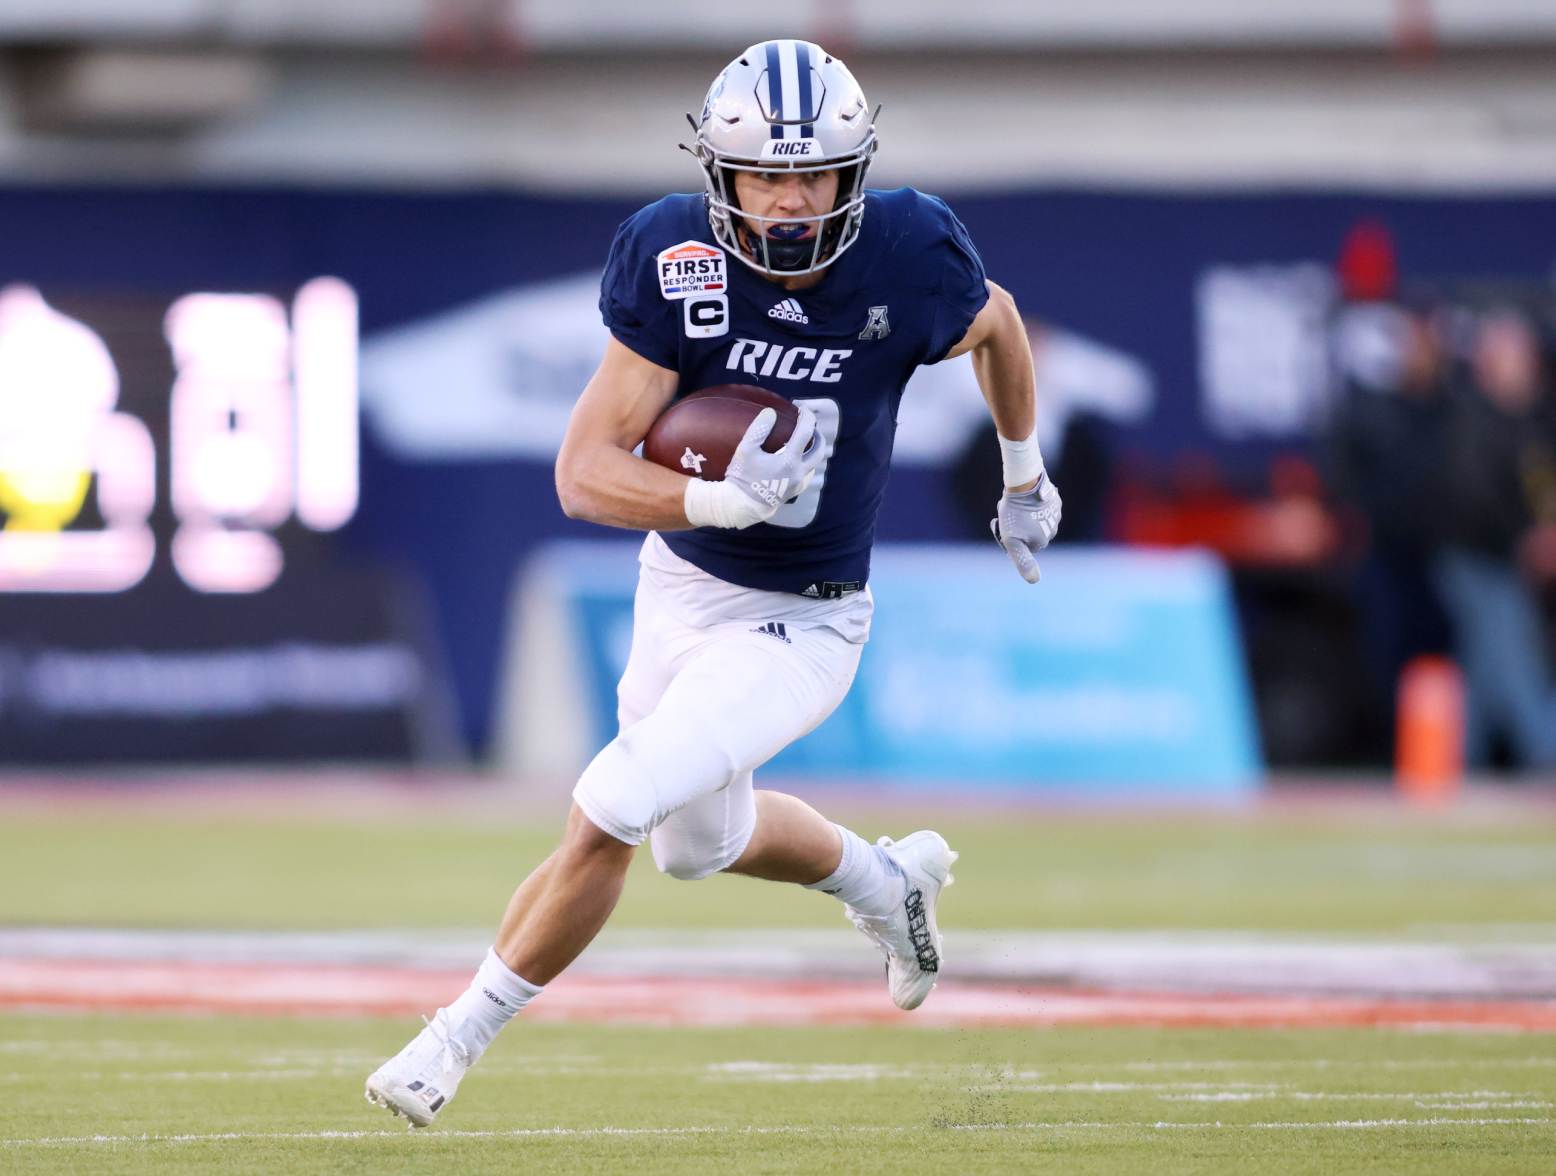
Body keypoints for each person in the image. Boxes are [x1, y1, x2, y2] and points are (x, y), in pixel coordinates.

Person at [365, 39, 1062, 1127]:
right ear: (720, 176)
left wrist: (1024, 472)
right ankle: (887, 886)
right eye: (766, 176)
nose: (789, 202)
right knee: (701, 845)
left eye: (813, 174)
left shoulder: (910, 248)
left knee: (610, 807)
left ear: (852, 172)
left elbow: (998, 324)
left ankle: (452, 1038)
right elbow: (582, 473)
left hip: (804, 619)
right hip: (681, 585)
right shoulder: (670, 257)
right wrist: (709, 503)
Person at [1432, 306, 1556, 768]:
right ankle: (1547, 756)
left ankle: (1453, 761)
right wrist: (1526, 540)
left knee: (1485, 664)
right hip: (1477, 558)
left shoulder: (1537, 417)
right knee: (1512, 653)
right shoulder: (1470, 418)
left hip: (1517, 557)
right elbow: (1474, 494)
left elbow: (1542, 485)